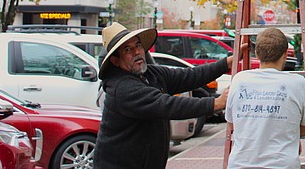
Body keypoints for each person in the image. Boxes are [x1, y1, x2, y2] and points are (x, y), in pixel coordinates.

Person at [94, 22, 239, 169]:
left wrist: (226, 63)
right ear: (115, 60)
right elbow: (167, 105)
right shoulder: (122, 88)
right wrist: (217, 103)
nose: (136, 52)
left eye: (138, 45)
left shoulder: (150, 74)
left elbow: (189, 76)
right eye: (127, 49)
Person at [226, 27, 305, 169]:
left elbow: (232, 124)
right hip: (283, 164)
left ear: (257, 53)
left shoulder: (239, 80)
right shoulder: (298, 84)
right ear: (285, 54)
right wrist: (288, 132)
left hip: (239, 164)